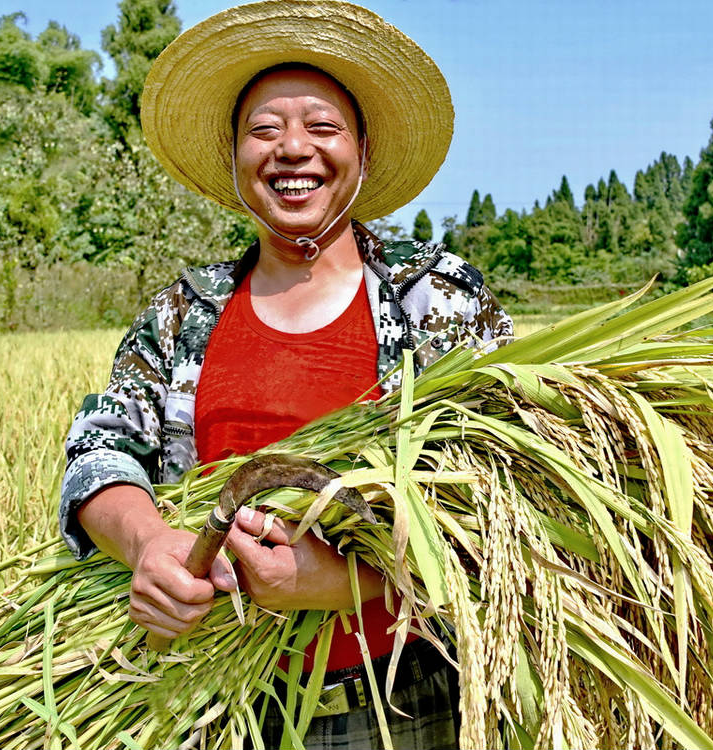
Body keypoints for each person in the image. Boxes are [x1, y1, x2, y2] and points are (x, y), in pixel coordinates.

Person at [59, 1, 512, 747]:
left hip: (404, 704)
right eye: (264, 131)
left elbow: (508, 489)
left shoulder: (435, 298)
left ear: (362, 152)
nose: (292, 149)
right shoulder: (184, 312)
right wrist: (148, 545)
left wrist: (346, 581)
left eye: (322, 128)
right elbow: (100, 449)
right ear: (235, 155)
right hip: (213, 704)